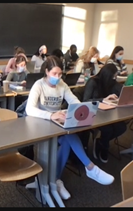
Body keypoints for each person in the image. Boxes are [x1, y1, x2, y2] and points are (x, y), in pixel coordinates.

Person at [25, 55, 114, 200]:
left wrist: (75, 111)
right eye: (54, 74)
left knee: (68, 138)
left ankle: (54, 180)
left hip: (56, 125)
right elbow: (30, 110)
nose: (58, 77)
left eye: (60, 74)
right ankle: (89, 168)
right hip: (39, 126)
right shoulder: (38, 85)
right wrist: (51, 115)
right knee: (69, 136)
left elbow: (75, 101)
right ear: (46, 72)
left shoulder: (62, 85)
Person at [82, 64, 126, 163]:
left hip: (108, 112)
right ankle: (104, 147)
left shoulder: (111, 82)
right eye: (113, 76)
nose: (114, 79)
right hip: (94, 112)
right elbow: (85, 101)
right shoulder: (93, 82)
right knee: (108, 129)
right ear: (107, 76)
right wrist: (103, 99)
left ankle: (101, 141)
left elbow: (120, 90)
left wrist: (122, 93)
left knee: (122, 127)